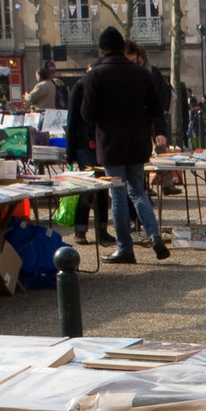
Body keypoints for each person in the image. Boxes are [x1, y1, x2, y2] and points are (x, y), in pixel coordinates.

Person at [78, 26, 171, 264]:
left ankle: (125, 248)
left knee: (117, 196)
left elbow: (87, 114)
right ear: (122, 47)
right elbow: (156, 109)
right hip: (137, 141)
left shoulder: (96, 74)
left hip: (111, 144)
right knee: (138, 192)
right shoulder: (141, 74)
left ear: (103, 48)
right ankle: (154, 235)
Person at [65, 62, 111, 246]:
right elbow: (72, 120)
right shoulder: (80, 87)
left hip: (101, 144)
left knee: (102, 188)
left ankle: (102, 230)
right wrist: (70, 151)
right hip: (84, 144)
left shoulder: (104, 89)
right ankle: (81, 230)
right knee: (87, 188)